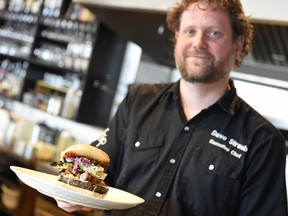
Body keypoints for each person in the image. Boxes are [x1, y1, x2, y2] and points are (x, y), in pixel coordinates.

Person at [56, 0, 288, 215]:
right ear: (177, 38)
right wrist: (72, 189)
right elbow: (98, 169)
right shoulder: (138, 100)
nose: (198, 43)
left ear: (237, 45)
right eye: (190, 31)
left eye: (214, 33)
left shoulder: (263, 141)